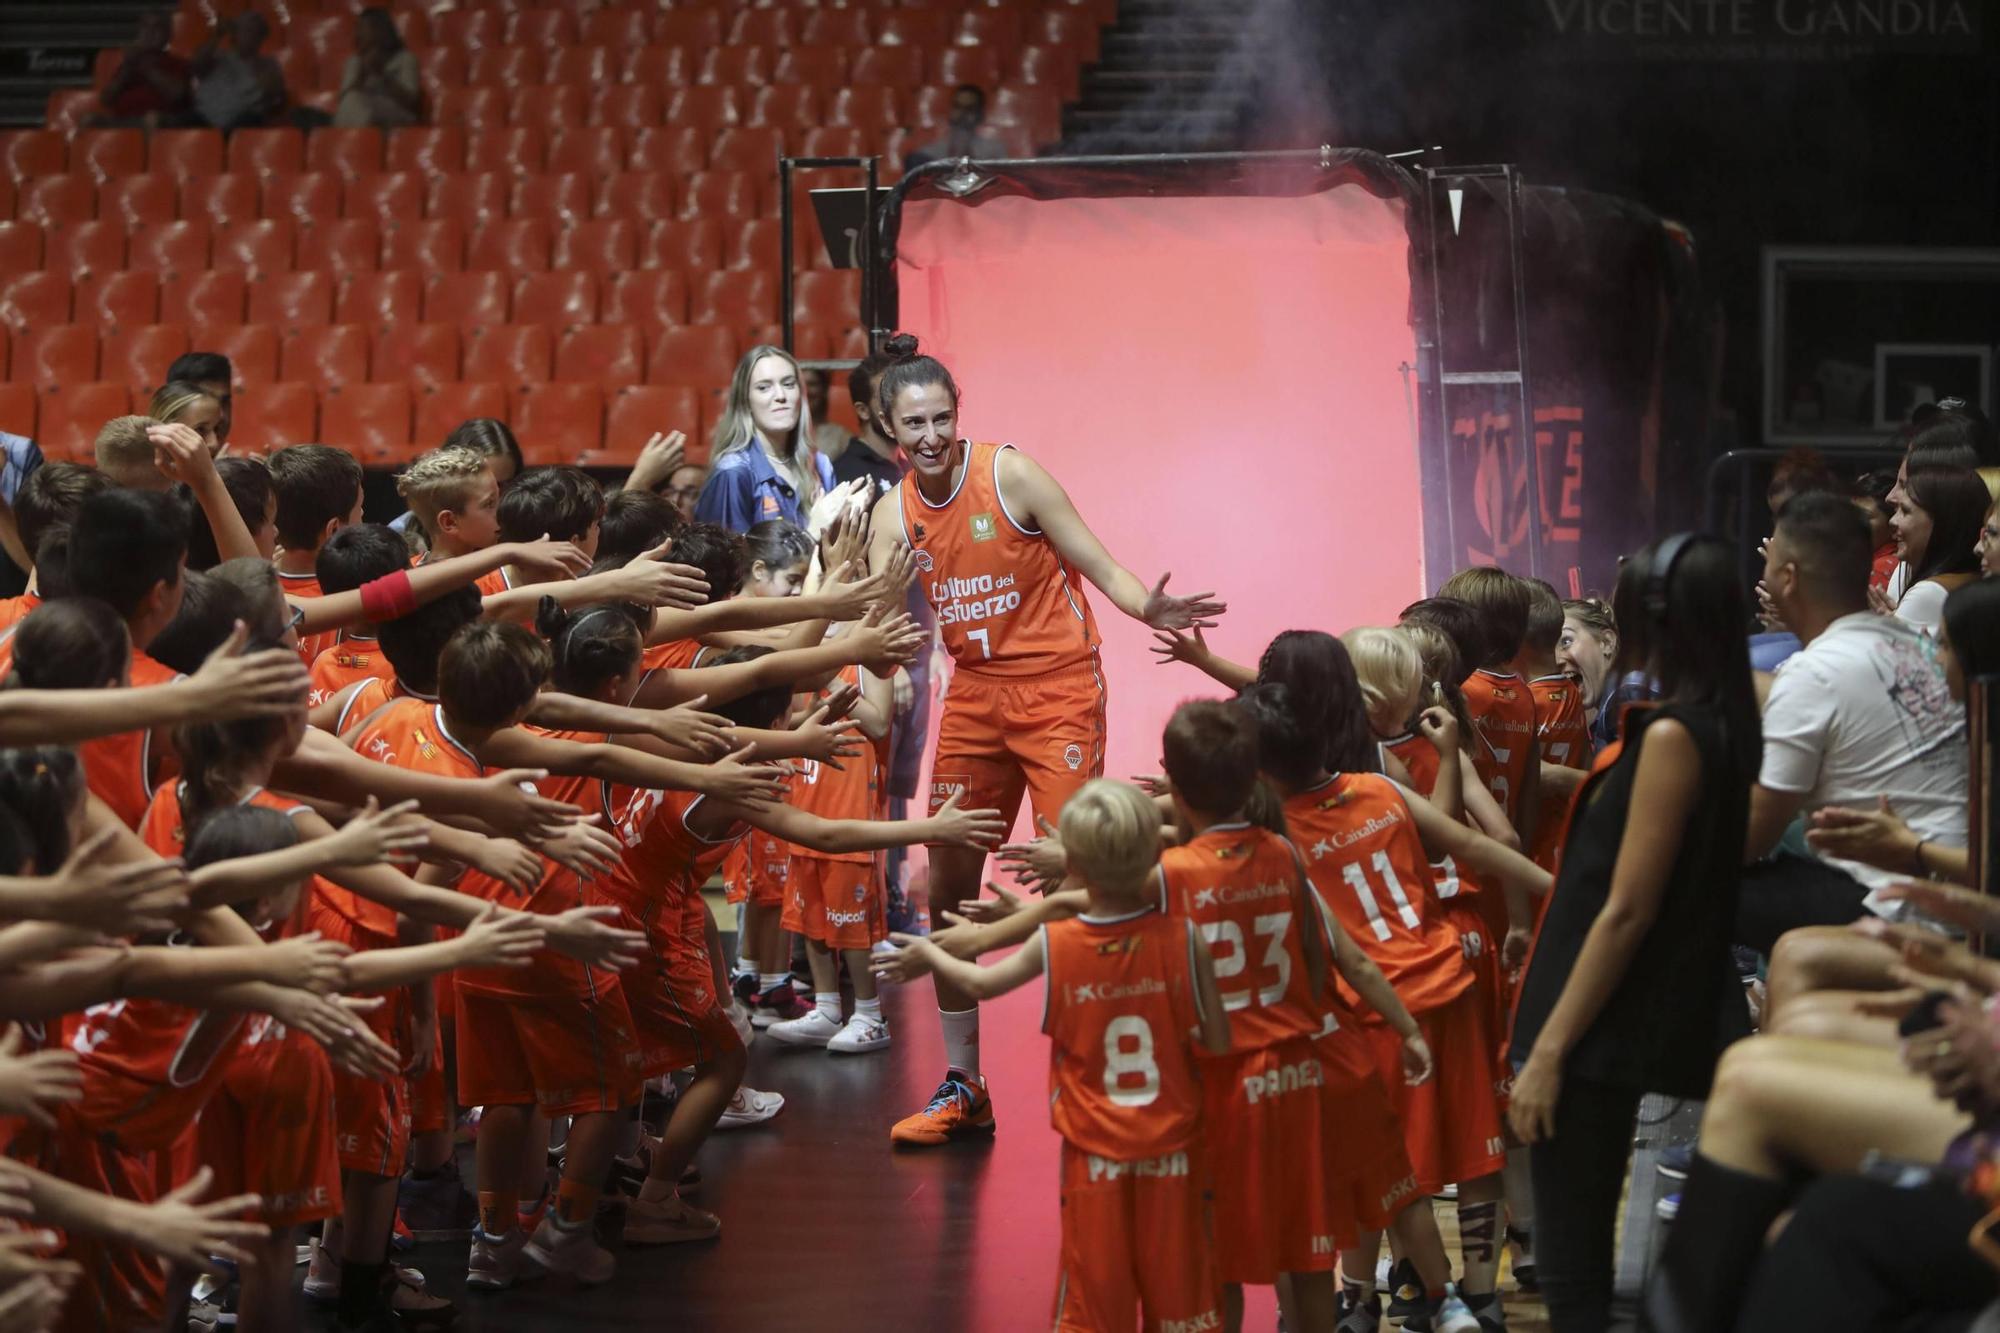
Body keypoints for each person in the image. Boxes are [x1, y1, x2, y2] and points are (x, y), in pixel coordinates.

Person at [861, 332, 1226, 1146]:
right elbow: (879, 627)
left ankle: (1116, 1065)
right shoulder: (893, 516)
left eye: (941, 417)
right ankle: (964, 1085)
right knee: (949, 880)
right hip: (975, 697)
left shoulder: (1008, 473)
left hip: (1058, 688)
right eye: (913, 422)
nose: (930, 435)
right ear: (891, 431)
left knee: (1082, 871)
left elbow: (1098, 562)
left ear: (959, 416)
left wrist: (1149, 608)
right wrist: (867, 700)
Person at [1505, 534, 1760, 1333]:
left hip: (1594, 1022)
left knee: (1575, 1269)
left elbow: (1626, 908)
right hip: (1608, 1012)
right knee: (1580, 1260)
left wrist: (1549, 1049)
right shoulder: (1714, 717)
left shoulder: (1678, 734)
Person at [874, 778, 1231, 1332]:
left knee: (1093, 1297)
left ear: (1075, 868)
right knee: (1181, 1296)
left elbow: (982, 984)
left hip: (1095, 1153)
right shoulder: (1186, 938)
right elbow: (1219, 1043)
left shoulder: (1058, 940)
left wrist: (930, 955)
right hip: (1176, 1148)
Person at [1740, 491, 1966, 952]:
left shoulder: (1814, 673)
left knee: (1687, 882)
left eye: (1769, 562)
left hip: (1900, 903)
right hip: (1952, 885)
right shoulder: (1907, 640)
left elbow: (1750, 837)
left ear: (1787, 577)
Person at [695, 346, 834, 532]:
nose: (780, 396)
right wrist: (815, 531)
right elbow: (726, 559)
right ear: (746, 401)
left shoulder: (820, 465)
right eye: (764, 387)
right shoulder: (733, 472)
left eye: (788, 384)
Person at [268, 445, 365, 668]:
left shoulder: (247, 586)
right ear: (334, 530)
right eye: (360, 508)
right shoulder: (355, 604)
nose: (363, 516)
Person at [1888, 464, 1987, 633]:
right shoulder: (1972, 580)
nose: (1892, 521)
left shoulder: (1928, 592)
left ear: (1943, 524)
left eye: (1905, 511)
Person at [88, 11, 193, 130]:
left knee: (152, 119)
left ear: (168, 34)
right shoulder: (128, 64)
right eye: (145, 27)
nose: (149, 32)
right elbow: (106, 99)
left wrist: (145, 68)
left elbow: (177, 95)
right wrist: (128, 68)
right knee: (89, 120)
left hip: (160, 122)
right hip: (123, 121)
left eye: (156, 27)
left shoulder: (178, 63)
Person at [190, 11, 286, 132]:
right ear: (234, 34)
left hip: (241, 123)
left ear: (261, 37)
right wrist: (217, 35)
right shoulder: (218, 57)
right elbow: (197, 64)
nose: (250, 35)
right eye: (245, 30)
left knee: (251, 120)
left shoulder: (268, 65)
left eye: (255, 32)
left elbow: (277, 100)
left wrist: (268, 90)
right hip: (203, 119)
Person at [333, 7, 419, 130]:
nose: (359, 32)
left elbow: (411, 102)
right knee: (352, 103)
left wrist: (382, 74)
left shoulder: (406, 59)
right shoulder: (354, 62)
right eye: (358, 27)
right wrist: (362, 73)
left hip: (397, 115)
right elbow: (345, 100)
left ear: (381, 30)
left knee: (358, 108)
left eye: (364, 27)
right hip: (363, 114)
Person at [904, 85, 1009, 170]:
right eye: (957, 107)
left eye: (970, 108)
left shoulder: (994, 151)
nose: (962, 113)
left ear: (980, 114)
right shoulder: (930, 153)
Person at [165, 352, 234, 452]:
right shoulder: (150, 463)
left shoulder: (238, 465)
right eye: (208, 402)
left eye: (225, 402)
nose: (222, 415)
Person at [799, 368, 851, 462]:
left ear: (824, 390)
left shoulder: (840, 436)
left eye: (812, 384)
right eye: (801, 385)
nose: (806, 391)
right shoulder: (783, 433)